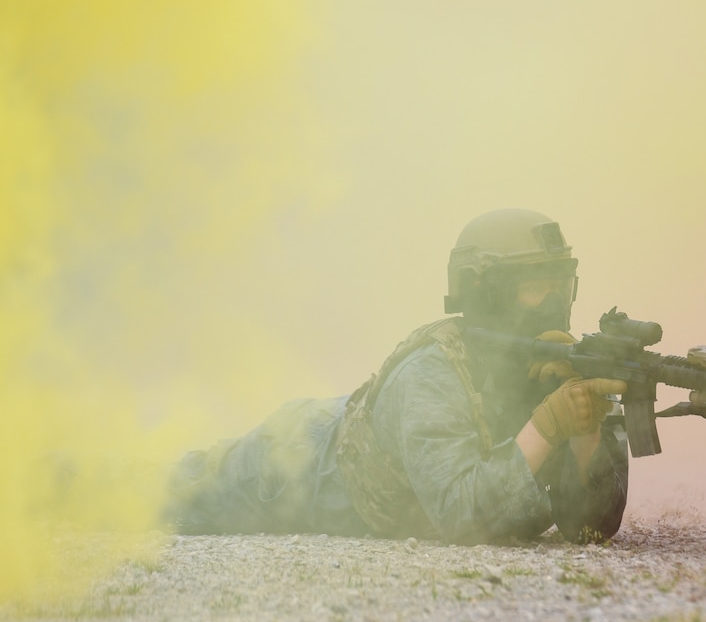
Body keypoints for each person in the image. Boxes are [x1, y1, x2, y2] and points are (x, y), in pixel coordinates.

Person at [164, 209, 630, 544]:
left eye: (559, 284)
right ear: (488, 293)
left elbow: (590, 529)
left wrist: (585, 431)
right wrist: (548, 426)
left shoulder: (553, 366)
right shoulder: (430, 373)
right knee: (165, 493)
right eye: (534, 287)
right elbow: (462, 517)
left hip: (337, 430)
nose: (552, 304)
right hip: (292, 463)